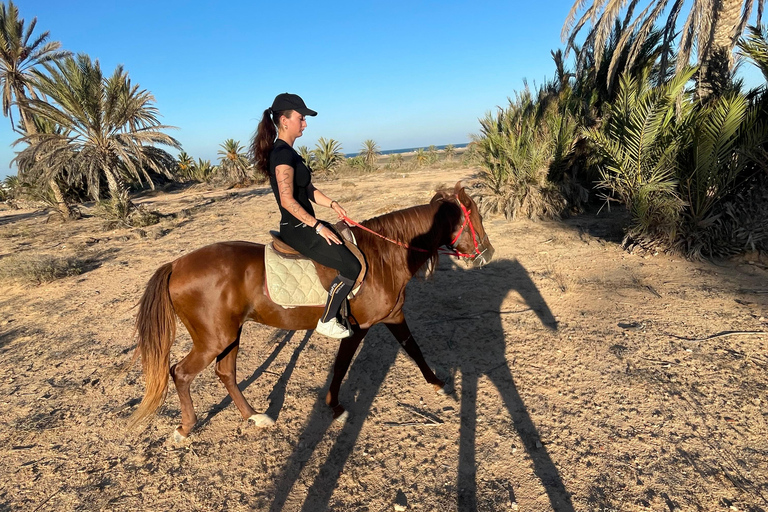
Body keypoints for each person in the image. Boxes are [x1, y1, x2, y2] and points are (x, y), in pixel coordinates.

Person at [250, 93, 361, 339]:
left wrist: (332, 204)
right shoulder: (281, 155)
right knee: (352, 266)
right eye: (301, 118)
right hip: (297, 228)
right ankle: (327, 319)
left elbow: (308, 190)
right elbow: (287, 200)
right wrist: (317, 226)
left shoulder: (291, 153)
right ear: (284, 120)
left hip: (306, 224)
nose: (305, 124)